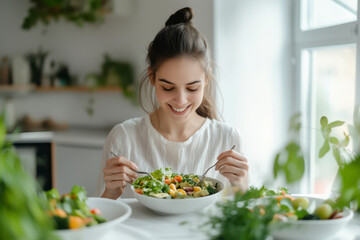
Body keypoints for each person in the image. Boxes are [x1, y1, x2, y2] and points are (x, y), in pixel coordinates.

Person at [97, 7, 249, 199]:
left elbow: (244, 221)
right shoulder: (124, 138)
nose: (181, 100)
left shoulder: (227, 139)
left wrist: (242, 188)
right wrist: (110, 192)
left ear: (206, 79)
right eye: (168, 88)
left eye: (192, 88)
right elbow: (101, 216)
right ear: (152, 77)